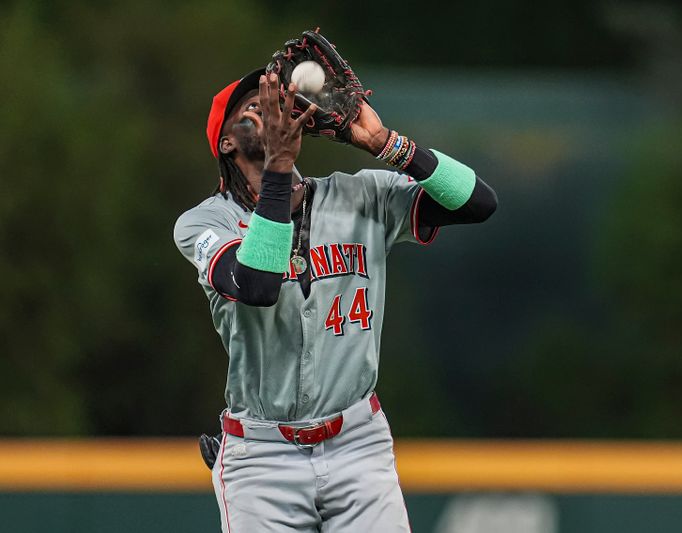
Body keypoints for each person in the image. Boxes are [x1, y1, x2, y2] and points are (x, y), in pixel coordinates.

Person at [174, 68, 497, 532]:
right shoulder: (205, 222)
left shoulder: (361, 194)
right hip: (262, 458)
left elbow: (477, 203)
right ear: (226, 143)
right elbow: (258, 285)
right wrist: (280, 165)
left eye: (273, 103)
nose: (267, 113)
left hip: (357, 445)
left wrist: (386, 143)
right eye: (251, 109)